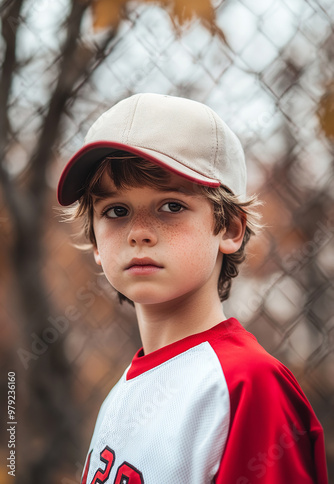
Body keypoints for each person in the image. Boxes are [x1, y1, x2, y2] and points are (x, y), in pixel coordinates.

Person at [57, 93, 328, 484]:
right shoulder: (122, 392)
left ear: (230, 228)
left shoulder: (248, 385)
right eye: (116, 211)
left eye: (171, 206)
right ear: (96, 244)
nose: (139, 233)